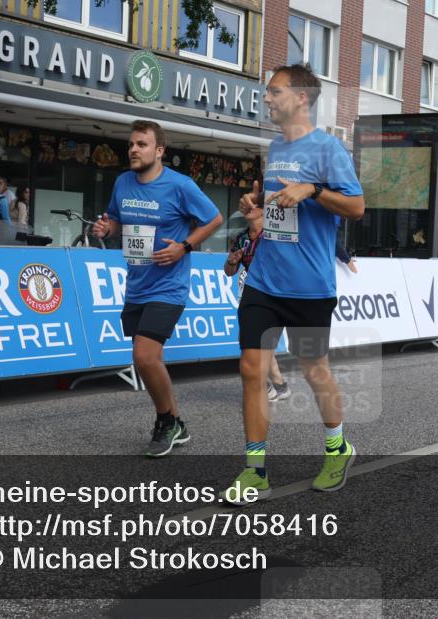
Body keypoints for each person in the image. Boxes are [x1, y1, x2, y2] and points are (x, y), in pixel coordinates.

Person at [225, 63, 365, 504]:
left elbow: (357, 207)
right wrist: (257, 209)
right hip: (265, 280)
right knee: (252, 370)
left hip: (309, 286)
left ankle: (338, 448)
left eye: (275, 91)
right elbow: (278, 209)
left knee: (314, 371)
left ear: (301, 97)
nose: (267, 98)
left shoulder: (329, 149)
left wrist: (313, 190)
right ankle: (255, 471)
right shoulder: (275, 147)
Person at [93, 120, 223, 457]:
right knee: (152, 360)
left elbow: (214, 219)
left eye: (142, 144)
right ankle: (175, 423)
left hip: (169, 286)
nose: (134, 150)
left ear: (159, 150)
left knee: (144, 356)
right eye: (131, 144)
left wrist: (185, 247)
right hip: (137, 284)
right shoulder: (123, 182)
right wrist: (108, 229)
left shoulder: (180, 185)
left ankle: (166, 422)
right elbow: (116, 220)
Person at [224, 204, 292, 403]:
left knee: (255, 340)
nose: (248, 208)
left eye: (254, 205)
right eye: (246, 206)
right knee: (256, 339)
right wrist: (232, 261)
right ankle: (279, 385)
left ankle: (266, 386)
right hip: (251, 292)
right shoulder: (241, 238)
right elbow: (228, 272)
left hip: (275, 292)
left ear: (264, 210)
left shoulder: (274, 235)